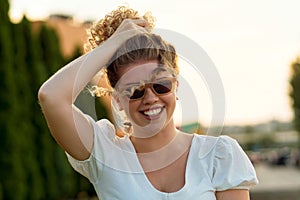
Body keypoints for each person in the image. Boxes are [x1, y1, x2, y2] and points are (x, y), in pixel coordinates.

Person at [38, 6, 258, 200]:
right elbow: (51, 96)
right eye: (135, 90)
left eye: (161, 84)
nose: (151, 97)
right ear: (118, 101)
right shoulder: (104, 154)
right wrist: (114, 43)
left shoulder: (218, 155)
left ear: (176, 86)